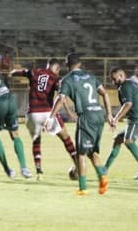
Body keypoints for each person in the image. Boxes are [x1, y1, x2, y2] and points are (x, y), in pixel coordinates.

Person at [45, 53, 112, 195]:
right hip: (99, 115)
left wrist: (51, 117)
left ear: (67, 65)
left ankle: (82, 189)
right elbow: (105, 93)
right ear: (80, 64)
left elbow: (60, 99)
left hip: (86, 116)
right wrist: (110, 115)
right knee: (92, 151)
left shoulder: (67, 79)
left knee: (81, 154)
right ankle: (103, 177)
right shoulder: (91, 76)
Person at [10, 58, 78, 179]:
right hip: (47, 111)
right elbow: (62, 95)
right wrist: (69, 111)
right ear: (57, 69)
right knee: (66, 138)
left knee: (36, 141)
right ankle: (78, 166)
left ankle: (39, 171)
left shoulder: (34, 72)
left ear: (48, 65)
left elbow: (16, 72)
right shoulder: (55, 78)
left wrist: (12, 73)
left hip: (33, 113)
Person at [104, 67, 138, 180]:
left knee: (128, 140)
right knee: (118, 139)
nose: (113, 82)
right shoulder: (133, 84)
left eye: (114, 79)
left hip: (137, 120)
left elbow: (128, 104)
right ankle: (104, 169)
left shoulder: (124, 86)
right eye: (112, 80)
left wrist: (115, 119)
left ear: (121, 75)